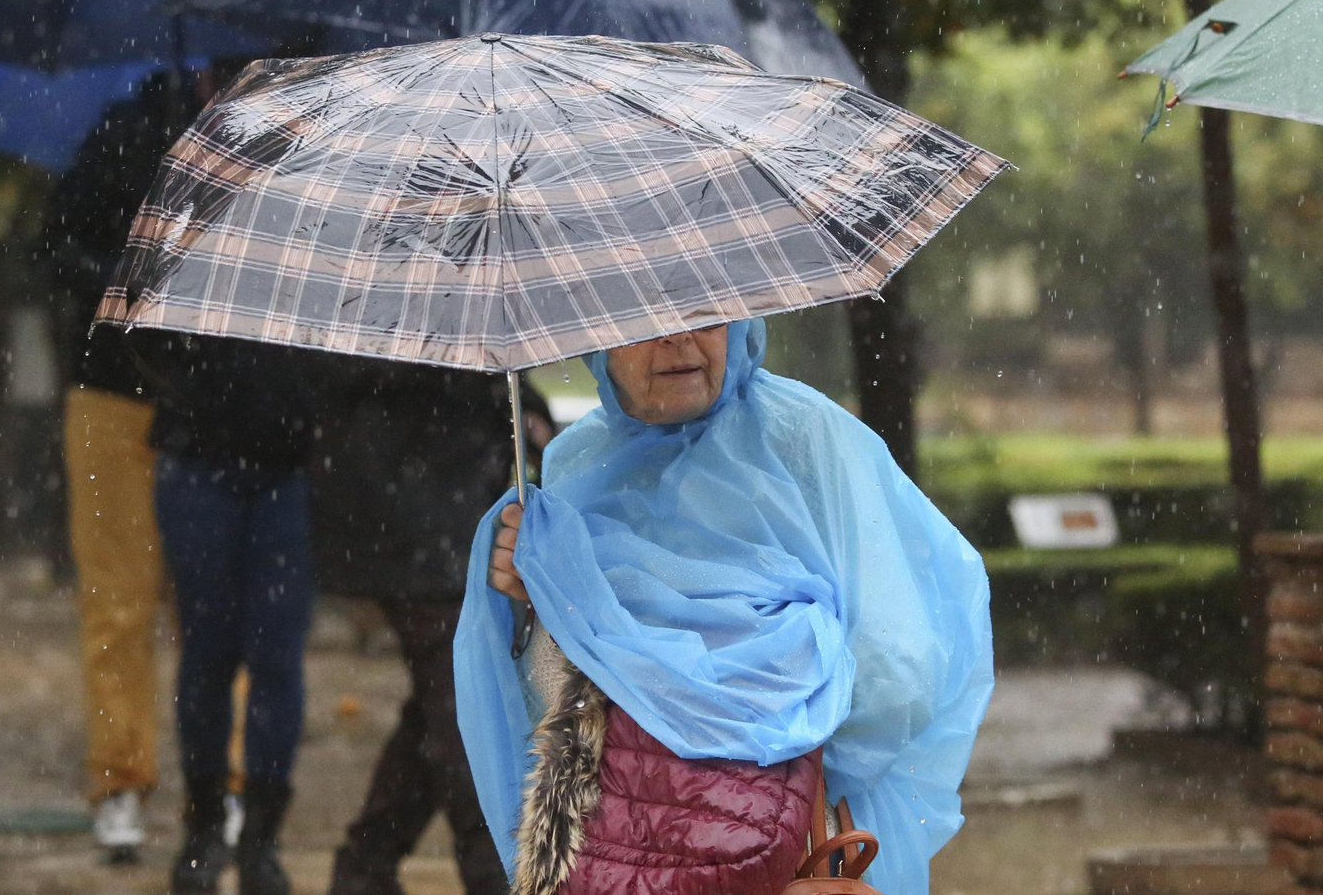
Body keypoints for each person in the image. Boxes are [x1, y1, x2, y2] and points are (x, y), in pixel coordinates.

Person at [455, 321, 995, 895]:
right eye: (642, 319)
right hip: (631, 857)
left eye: (705, 313)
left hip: (786, 844)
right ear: (597, 341)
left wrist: (766, 744)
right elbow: (553, 715)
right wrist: (532, 599)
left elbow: (901, 668)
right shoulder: (572, 475)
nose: (677, 338)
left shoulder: (806, 441)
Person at [312, 361, 555, 895]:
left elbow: (479, 359)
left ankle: (364, 867)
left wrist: (521, 405)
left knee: (440, 707)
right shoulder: (391, 317)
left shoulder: (458, 316)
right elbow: (422, 371)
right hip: (410, 525)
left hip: (448, 521)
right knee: (463, 717)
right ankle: (496, 874)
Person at [41, 73, 196, 862]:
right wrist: (127, 281)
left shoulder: (269, 137)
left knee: (215, 612)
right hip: (112, 398)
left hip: (211, 411)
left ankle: (225, 788)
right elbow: (54, 247)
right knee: (118, 601)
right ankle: (122, 781)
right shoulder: (122, 134)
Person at [134, 329, 331, 895]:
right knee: (208, 652)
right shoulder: (185, 245)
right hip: (196, 457)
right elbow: (140, 329)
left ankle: (261, 839)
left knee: (277, 659)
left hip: (287, 467)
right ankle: (203, 826)